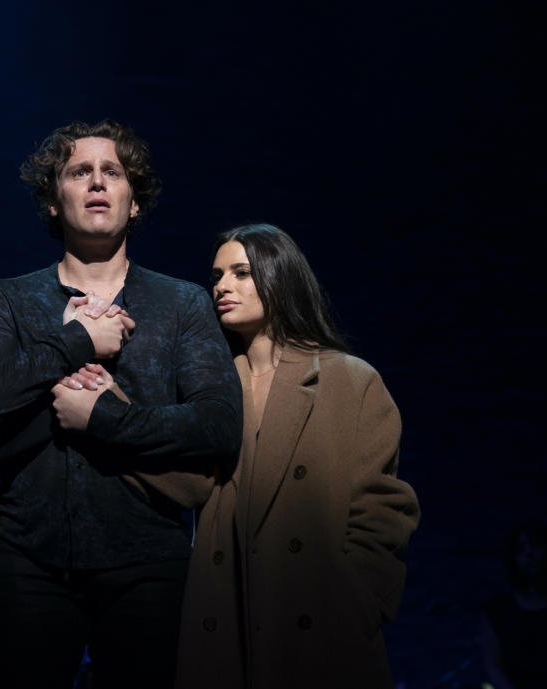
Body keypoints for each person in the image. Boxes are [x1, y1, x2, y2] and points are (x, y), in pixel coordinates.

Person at [0, 119, 242, 689]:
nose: (98, 183)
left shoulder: (181, 303)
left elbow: (220, 423)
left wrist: (104, 416)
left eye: (113, 172)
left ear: (134, 203)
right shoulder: (8, 299)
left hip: (149, 563)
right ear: (55, 202)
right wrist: (75, 341)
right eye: (80, 172)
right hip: (28, 562)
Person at [174, 223, 421, 689]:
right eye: (217, 275)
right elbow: (183, 481)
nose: (222, 286)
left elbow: (383, 511)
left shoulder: (350, 381)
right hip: (225, 619)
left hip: (319, 627)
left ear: (279, 276)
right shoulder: (211, 388)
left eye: (241, 272)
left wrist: (357, 600)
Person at [479, 518, 547, 689]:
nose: (529, 554)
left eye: (535, 545)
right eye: (520, 550)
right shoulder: (498, 611)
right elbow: (493, 666)